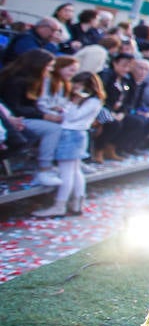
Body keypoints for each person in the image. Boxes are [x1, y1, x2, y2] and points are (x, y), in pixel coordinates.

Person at [32, 72, 104, 218]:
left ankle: (60, 205)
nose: (74, 87)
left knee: (67, 172)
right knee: (75, 170)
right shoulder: (93, 101)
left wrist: (73, 103)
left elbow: (72, 117)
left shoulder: (91, 101)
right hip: (78, 133)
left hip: (71, 134)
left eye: (78, 84)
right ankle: (77, 202)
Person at [0, 50, 64, 185]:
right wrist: (44, 115)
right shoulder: (15, 81)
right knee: (53, 129)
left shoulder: (34, 80)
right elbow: (15, 107)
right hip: (14, 118)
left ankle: (65, 162)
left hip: (18, 117)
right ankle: (44, 168)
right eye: (49, 66)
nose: (51, 70)